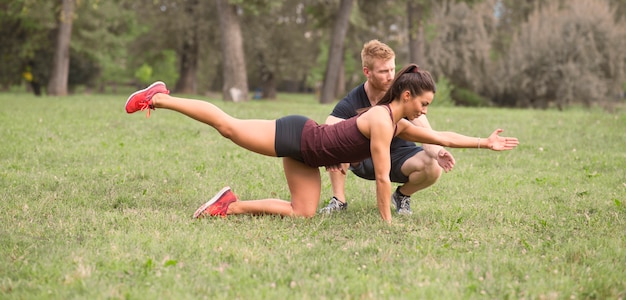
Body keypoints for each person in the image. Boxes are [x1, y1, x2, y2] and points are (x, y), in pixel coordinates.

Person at [124, 64, 519, 223]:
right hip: (299, 135)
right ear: (408, 95)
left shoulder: (398, 122)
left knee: (303, 212)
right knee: (229, 127)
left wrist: (484, 143)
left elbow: (440, 136)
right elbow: (383, 180)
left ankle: (229, 204)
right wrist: (385, 226)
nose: (425, 112)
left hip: (308, 157)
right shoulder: (383, 121)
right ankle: (159, 96)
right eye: (424, 104)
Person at [320, 40, 453, 215]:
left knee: (433, 167)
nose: (391, 76)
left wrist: (438, 153)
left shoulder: (404, 97)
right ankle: (339, 200)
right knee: (338, 141)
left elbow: (427, 135)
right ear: (367, 72)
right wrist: (330, 153)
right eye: (384, 71)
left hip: (400, 158)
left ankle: (402, 196)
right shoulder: (352, 100)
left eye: (392, 69)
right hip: (365, 159)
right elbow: (327, 130)